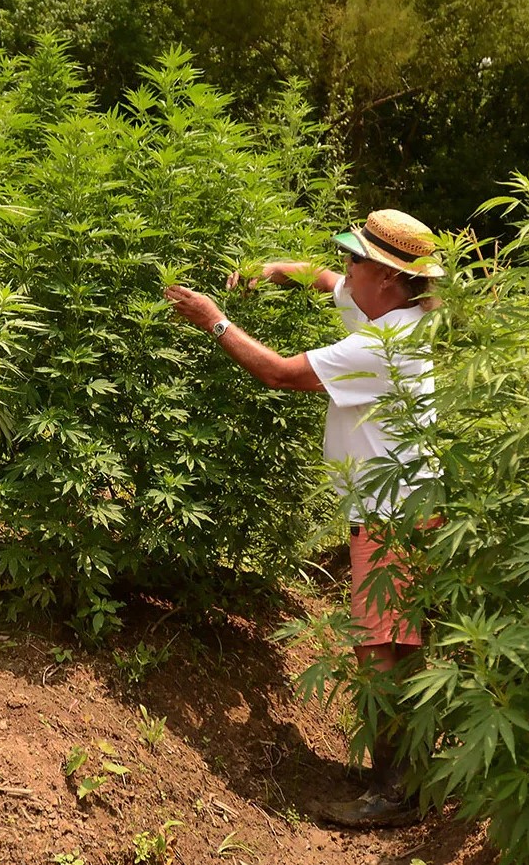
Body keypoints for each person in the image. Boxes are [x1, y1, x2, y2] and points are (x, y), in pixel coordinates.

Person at [164, 208, 442, 828]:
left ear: (388, 277)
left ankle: (395, 792)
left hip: (392, 516)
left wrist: (214, 321)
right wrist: (273, 270)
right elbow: (324, 280)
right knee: (396, 643)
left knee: (382, 649)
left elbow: (280, 373)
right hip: (402, 507)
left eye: (355, 259)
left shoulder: (382, 345)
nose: (345, 268)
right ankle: (406, 776)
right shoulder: (393, 308)